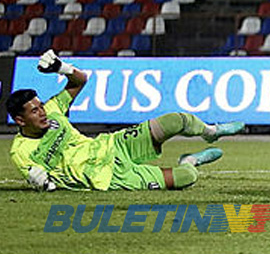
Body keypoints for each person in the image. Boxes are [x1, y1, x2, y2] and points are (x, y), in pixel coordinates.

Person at [8, 50, 242, 192]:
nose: (42, 112)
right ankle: (189, 160)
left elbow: (80, 80)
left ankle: (211, 131)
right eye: (34, 111)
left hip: (111, 145)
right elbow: (41, 180)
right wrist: (40, 183)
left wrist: (62, 67)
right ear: (20, 120)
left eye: (40, 107)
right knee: (186, 178)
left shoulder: (53, 111)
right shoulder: (21, 151)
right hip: (108, 177)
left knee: (175, 120)